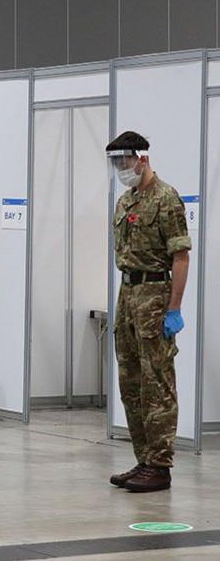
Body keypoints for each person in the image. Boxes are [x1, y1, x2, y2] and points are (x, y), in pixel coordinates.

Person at [106, 131, 190, 493]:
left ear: (142, 158)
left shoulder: (166, 198)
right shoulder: (126, 200)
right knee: (131, 381)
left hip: (155, 293)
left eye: (125, 161)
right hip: (127, 294)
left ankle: (160, 464)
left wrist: (174, 308)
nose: (121, 168)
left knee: (157, 382)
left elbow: (180, 256)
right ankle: (143, 459)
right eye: (116, 163)